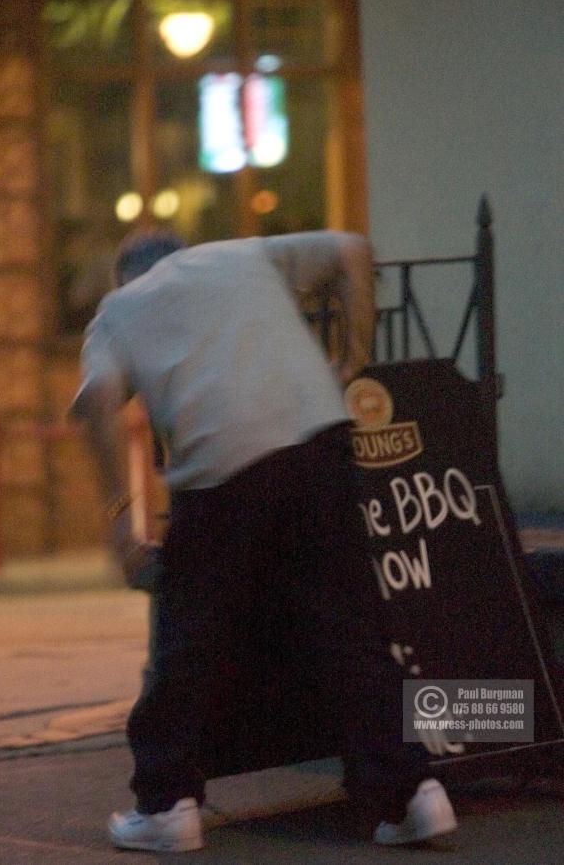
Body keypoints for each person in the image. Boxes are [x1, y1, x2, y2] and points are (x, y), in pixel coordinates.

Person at [70, 230, 457, 852]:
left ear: (126, 277)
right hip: (319, 440)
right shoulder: (240, 255)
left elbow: (97, 404)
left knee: (187, 637)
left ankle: (167, 804)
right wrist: (351, 357)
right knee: (353, 627)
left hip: (220, 466)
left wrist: (121, 520)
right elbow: (352, 250)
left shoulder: (119, 309)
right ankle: (410, 794)